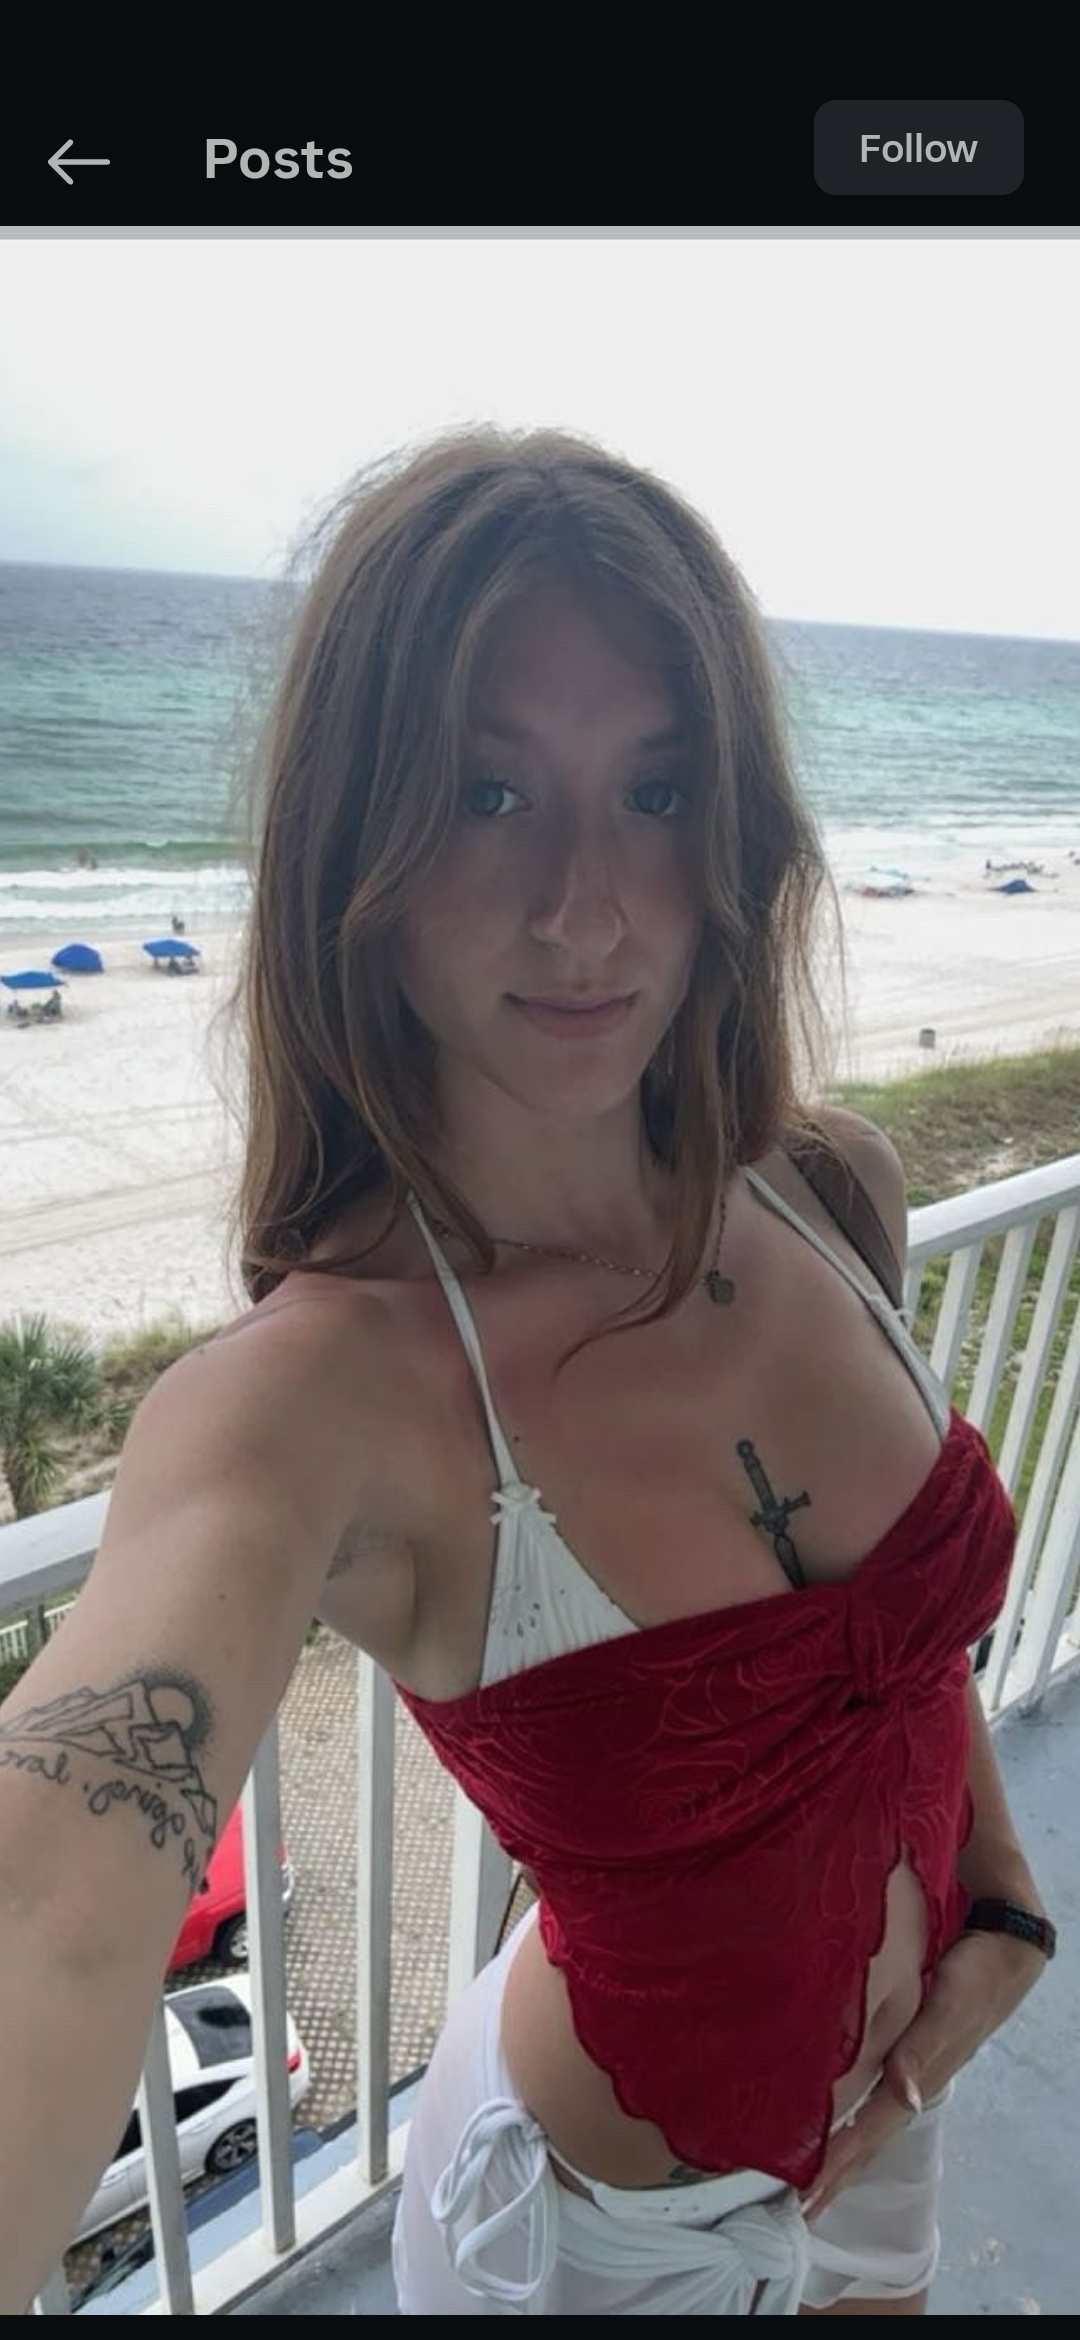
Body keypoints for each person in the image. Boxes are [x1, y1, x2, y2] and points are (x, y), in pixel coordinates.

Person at [0, 429, 1054, 2318]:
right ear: (359, 851)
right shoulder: (315, 1403)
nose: (590, 907)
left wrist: (1006, 1895)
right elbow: (47, 1917)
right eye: (489, 794)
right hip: (596, 2241)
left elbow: (896, 1651)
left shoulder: (829, 1190)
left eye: (656, 791)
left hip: (894, 2109)